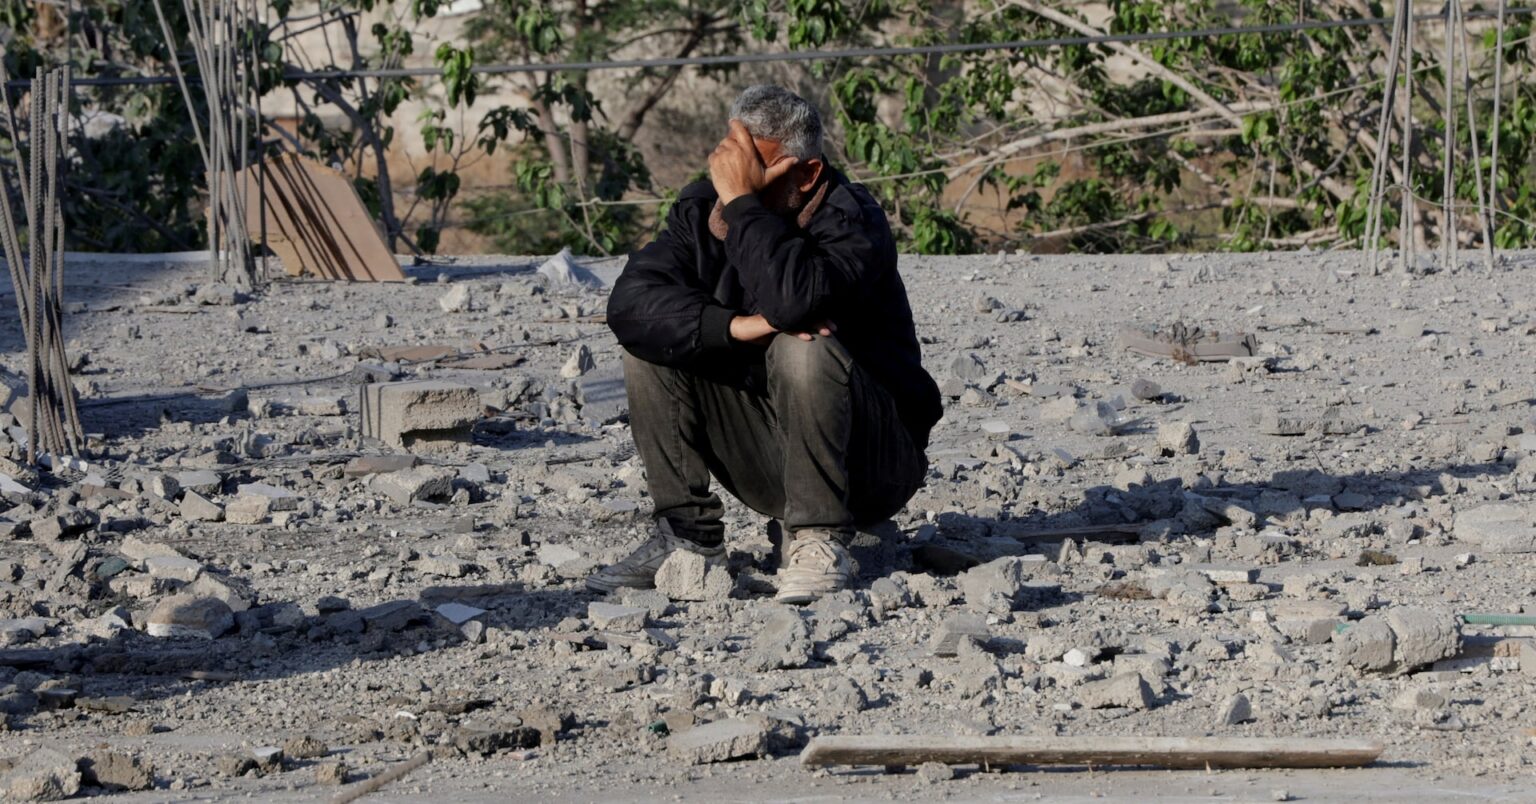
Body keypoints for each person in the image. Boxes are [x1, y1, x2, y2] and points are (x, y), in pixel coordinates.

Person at [592, 85, 940, 604]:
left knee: (803, 345)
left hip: (872, 464)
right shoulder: (699, 212)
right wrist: (732, 327)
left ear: (808, 173)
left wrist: (740, 204)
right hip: (770, 452)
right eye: (734, 163)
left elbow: (794, 303)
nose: (736, 177)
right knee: (655, 343)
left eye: (757, 168)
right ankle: (688, 542)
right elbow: (629, 306)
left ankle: (819, 538)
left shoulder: (852, 221)